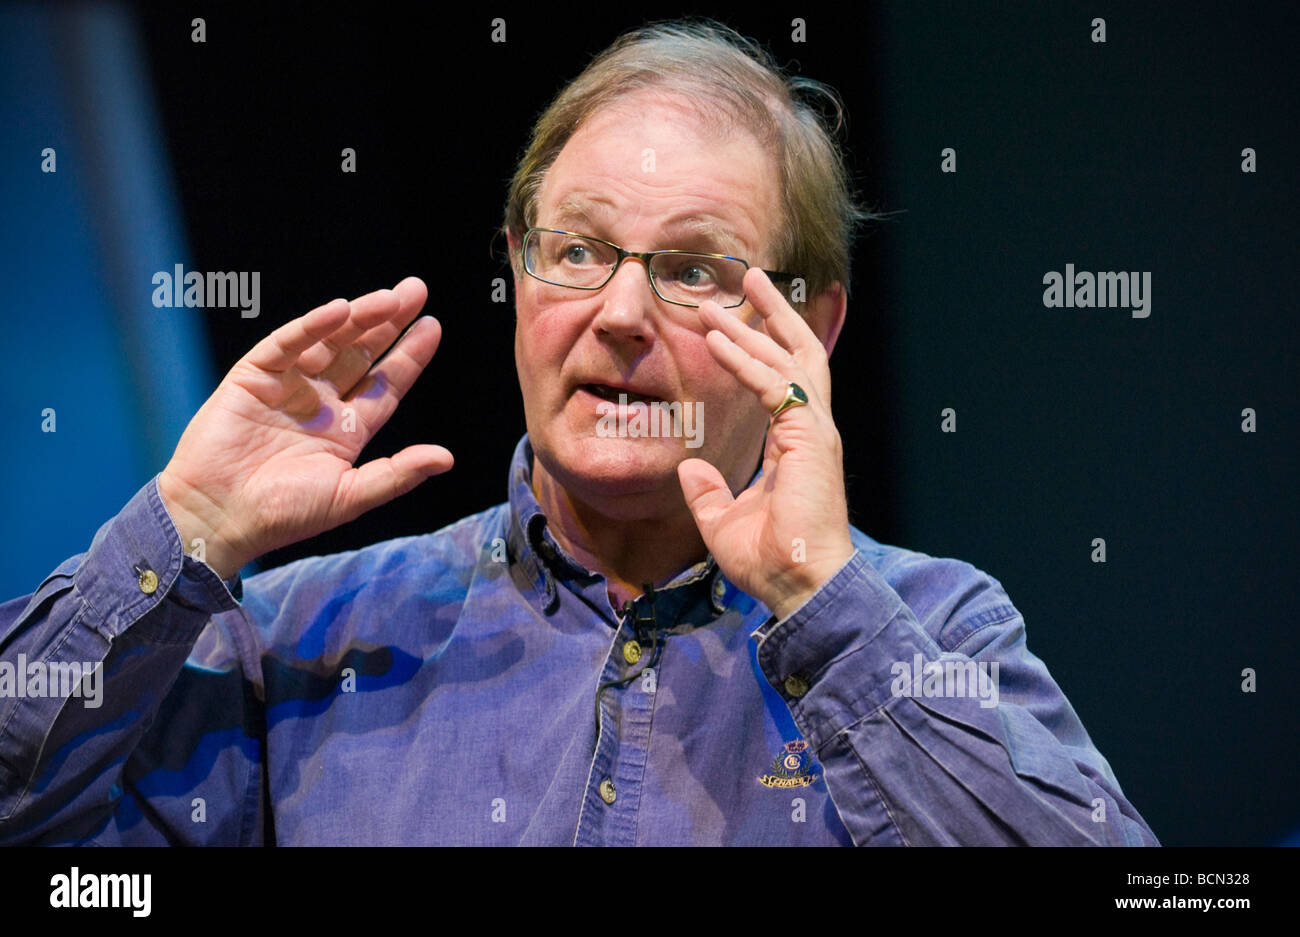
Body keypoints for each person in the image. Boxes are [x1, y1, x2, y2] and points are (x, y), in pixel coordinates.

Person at [0, 21, 1157, 846]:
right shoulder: (300, 637)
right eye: (578, 250)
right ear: (516, 267)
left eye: (692, 269)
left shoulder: (936, 627)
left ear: (808, 321)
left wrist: (822, 601)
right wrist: (183, 532)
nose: (616, 317)